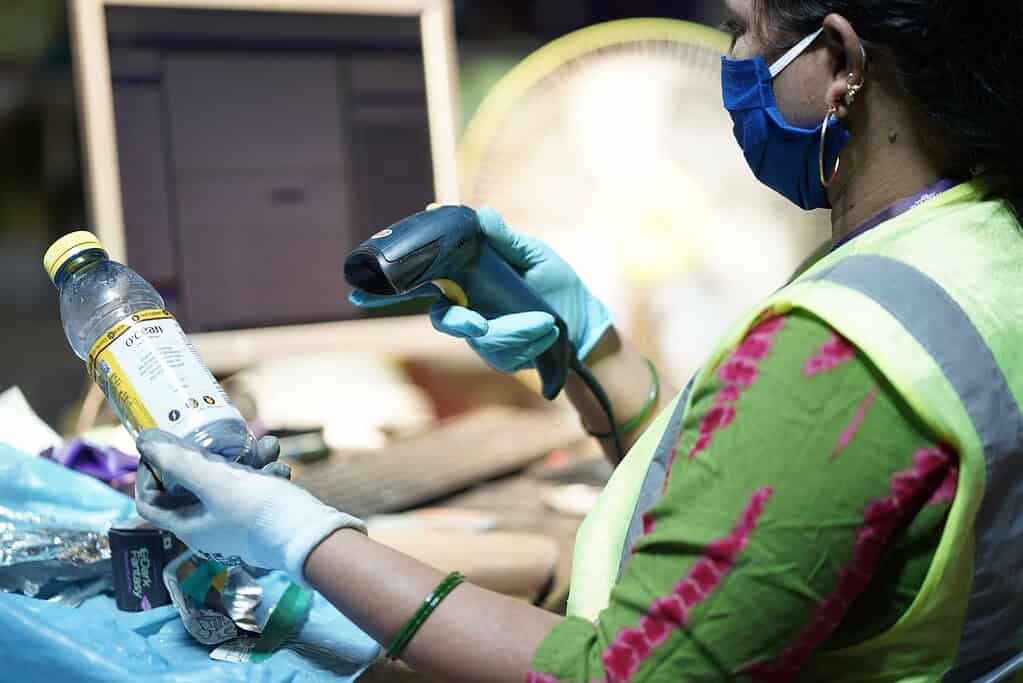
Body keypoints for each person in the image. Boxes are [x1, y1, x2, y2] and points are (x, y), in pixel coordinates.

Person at [135, 0, 1023, 680]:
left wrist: (299, 532)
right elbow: (775, 517)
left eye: (744, 31)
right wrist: (592, 358)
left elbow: (611, 670)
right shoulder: (974, 244)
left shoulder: (843, 343)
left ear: (835, 65)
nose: (738, 62)